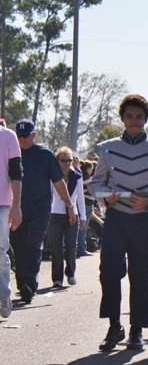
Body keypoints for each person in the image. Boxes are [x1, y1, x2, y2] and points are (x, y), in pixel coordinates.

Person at [88, 94, 148, 351]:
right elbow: (96, 183)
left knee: (140, 275)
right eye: (129, 116)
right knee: (109, 271)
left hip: (144, 220)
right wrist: (107, 195)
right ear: (123, 119)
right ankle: (114, 326)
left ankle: (136, 330)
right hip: (116, 217)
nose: (134, 121)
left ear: (146, 119)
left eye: (139, 117)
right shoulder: (107, 148)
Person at [10, 119, 76, 304]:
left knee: (33, 245)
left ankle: (30, 285)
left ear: (34, 135)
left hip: (40, 210)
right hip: (16, 209)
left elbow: (59, 182)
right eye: (19, 135)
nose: (22, 139)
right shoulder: (12, 153)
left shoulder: (44, 155)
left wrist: (70, 206)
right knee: (18, 247)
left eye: (26, 135)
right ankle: (22, 283)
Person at [48, 146, 87, 288]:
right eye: (63, 160)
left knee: (71, 246)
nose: (66, 163)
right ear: (57, 161)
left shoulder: (76, 175)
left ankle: (70, 273)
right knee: (56, 248)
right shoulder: (52, 175)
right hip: (55, 214)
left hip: (72, 215)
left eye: (69, 160)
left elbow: (80, 198)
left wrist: (82, 217)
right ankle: (57, 278)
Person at [0, 122, 22, 317]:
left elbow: (16, 171)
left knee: (0, 251)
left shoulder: (8, 136)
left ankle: (3, 295)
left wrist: (16, 206)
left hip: (3, 204)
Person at [77, 160, 96, 257]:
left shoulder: (80, 177)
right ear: (89, 169)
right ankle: (81, 248)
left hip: (80, 203)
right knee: (83, 228)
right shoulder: (89, 180)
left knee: (78, 227)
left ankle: (78, 247)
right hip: (87, 204)